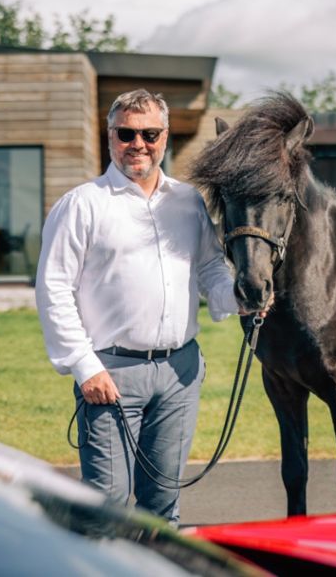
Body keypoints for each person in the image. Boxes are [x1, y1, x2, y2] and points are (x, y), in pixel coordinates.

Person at [35, 89, 254, 526]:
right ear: (110, 136)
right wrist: (84, 366)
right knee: (106, 507)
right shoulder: (82, 204)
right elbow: (53, 287)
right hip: (110, 376)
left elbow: (210, 267)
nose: (139, 144)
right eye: (127, 134)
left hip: (179, 374)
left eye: (149, 134)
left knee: (162, 508)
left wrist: (240, 297)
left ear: (165, 137)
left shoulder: (187, 201)